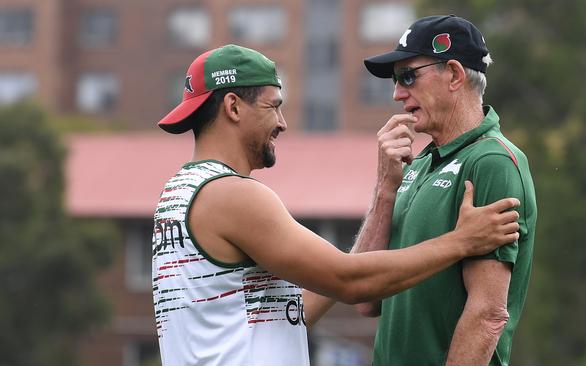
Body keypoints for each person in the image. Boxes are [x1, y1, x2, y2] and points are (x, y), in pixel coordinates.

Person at [151, 44, 521, 366]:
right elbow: (349, 281)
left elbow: (289, 313)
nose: (281, 123)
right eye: (273, 106)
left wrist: (384, 193)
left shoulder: (178, 194)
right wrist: (461, 241)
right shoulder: (232, 195)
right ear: (233, 106)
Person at [356, 15, 538, 366]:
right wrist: (384, 190)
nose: (397, 93)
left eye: (408, 76)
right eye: (396, 80)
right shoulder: (418, 163)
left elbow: (487, 315)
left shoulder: (492, 162)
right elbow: (365, 297)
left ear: (454, 75)